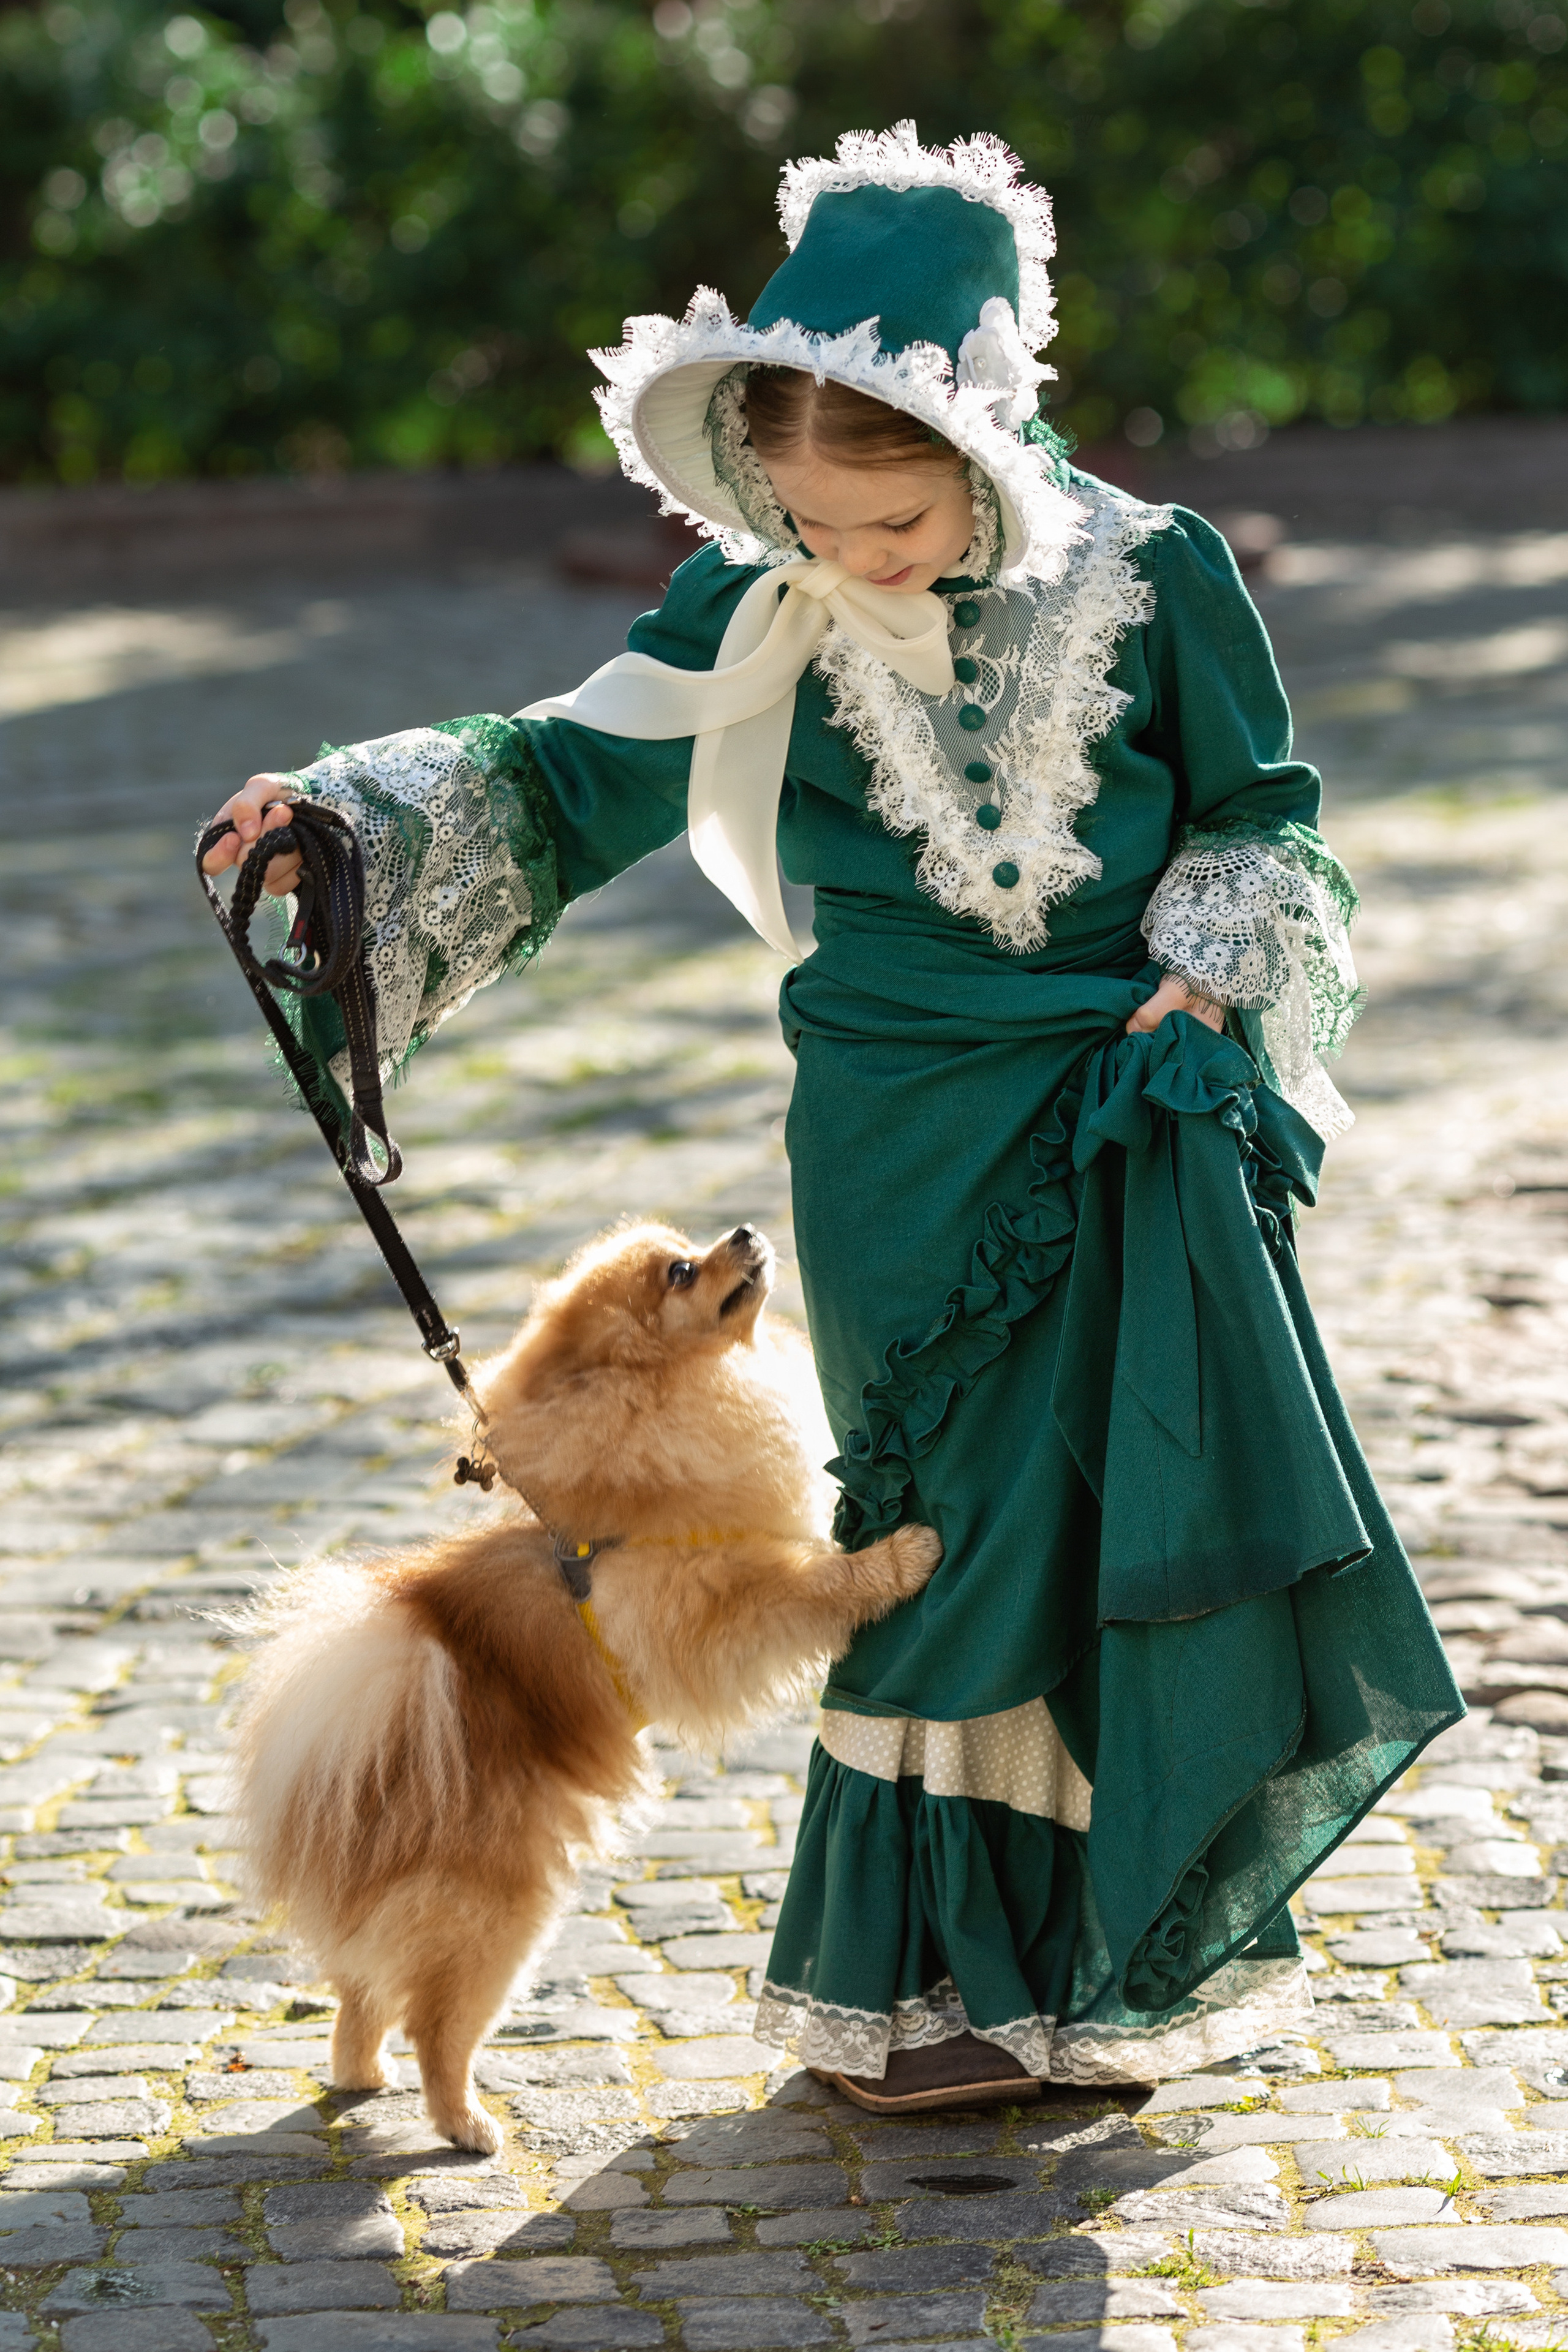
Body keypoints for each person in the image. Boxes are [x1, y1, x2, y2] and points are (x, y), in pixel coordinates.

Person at [205, 124, 1461, 2115]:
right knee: (931, 1525)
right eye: (809, 518)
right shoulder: (764, 602)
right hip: (893, 1143)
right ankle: (924, 1986)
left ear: (987, 439)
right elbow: (566, 775)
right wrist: (340, 816)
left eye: (894, 517)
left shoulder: (1159, 574)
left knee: (1100, 1512)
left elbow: (1263, 816)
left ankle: (1091, 1973)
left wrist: (1209, 972)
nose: (855, 558)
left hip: (1122, 1112)